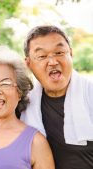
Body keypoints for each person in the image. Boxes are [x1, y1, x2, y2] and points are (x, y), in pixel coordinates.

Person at [21, 25, 93, 169]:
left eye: (59, 52)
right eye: (42, 56)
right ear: (28, 63)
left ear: (71, 54)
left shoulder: (89, 94)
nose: (53, 61)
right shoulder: (23, 101)